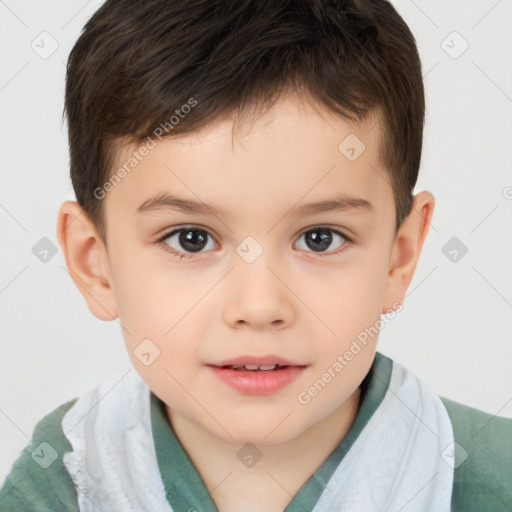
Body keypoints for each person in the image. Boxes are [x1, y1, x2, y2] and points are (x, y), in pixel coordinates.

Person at [1, 0, 510, 510]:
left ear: (399, 258)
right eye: (190, 239)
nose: (259, 305)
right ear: (96, 264)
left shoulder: (491, 477)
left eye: (320, 238)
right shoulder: (61, 484)